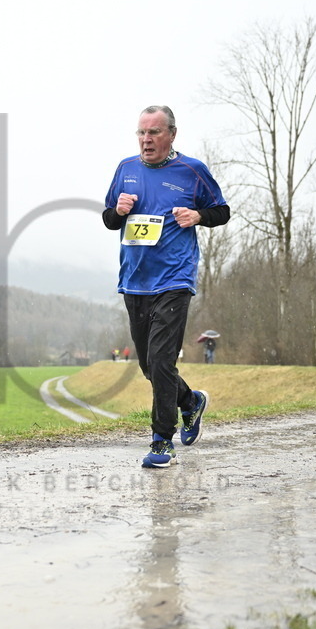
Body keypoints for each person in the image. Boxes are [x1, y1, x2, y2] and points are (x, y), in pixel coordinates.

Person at [102, 105, 231, 468]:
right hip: (135, 281)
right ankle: (190, 403)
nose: (146, 140)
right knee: (150, 366)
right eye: (142, 133)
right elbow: (110, 219)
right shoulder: (125, 169)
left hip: (175, 279)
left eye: (154, 132)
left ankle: (162, 442)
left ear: (172, 134)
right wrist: (119, 212)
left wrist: (199, 215)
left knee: (161, 360)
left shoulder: (192, 171)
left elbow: (222, 210)